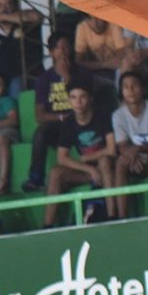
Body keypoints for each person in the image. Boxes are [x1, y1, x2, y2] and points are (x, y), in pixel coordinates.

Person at [42, 80, 116, 227]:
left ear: (90, 99)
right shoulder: (69, 123)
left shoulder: (103, 115)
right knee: (56, 172)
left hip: (108, 167)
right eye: (73, 97)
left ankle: (112, 216)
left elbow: (111, 150)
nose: (78, 102)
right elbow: (62, 157)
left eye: (82, 97)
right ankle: (47, 226)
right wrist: (89, 169)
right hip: (89, 171)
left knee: (104, 161)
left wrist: (88, 158)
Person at [23, 31, 88, 191]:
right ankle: (36, 178)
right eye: (60, 48)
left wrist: (68, 78)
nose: (64, 52)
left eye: (67, 47)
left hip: (81, 121)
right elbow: (40, 115)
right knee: (40, 133)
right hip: (59, 124)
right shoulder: (44, 79)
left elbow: (88, 100)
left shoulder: (82, 73)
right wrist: (62, 117)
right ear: (51, 52)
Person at [112, 70, 148, 219]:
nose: (130, 90)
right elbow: (122, 146)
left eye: (134, 85)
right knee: (121, 162)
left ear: (143, 89)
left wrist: (138, 148)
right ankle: (122, 217)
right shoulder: (118, 115)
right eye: (125, 87)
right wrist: (133, 155)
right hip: (132, 159)